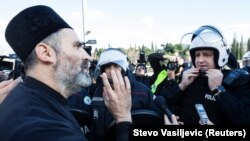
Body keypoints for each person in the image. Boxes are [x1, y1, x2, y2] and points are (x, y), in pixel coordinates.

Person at [0, 5, 132, 141]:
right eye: (77, 46)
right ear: (46, 53)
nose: (88, 57)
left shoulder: (18, 100)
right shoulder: (48, 131)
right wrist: (123, 118)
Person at [164, 25, 250, 124]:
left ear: (220, 55)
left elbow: (245, 118)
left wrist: (219, 89)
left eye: (207, 54)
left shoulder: (238, 81)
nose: (200, 60)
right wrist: (181, 86)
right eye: (197, 55)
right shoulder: (189, 78)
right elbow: (162, 103)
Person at [90, 48, 162, 141]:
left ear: (124, 68)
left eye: (116, 65)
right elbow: (94, 127)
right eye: (107, 66)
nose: (112, 71)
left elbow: (156, 118)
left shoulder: (142, 92)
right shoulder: (97, 92)